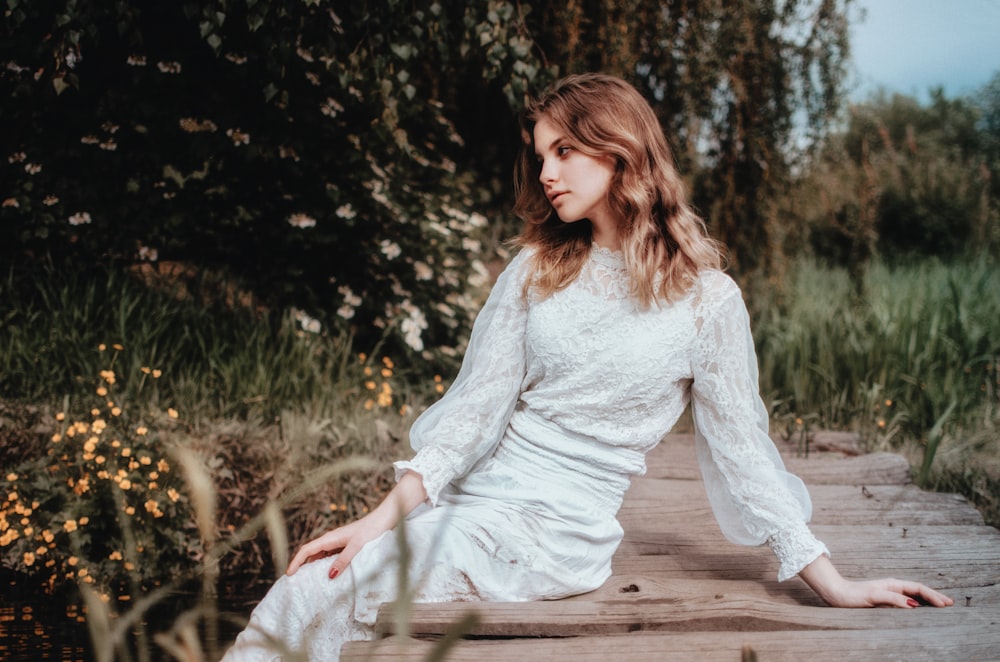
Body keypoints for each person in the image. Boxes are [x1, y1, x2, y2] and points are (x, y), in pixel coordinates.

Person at [222, 73, 952, 660]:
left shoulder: (708, 302)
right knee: (312, 583)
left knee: (339, 590)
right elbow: (476, 411)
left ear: (620, 153)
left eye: (564, 152)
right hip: (472, 501)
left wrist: (834, 582)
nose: (545, 172)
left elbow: (744, 453)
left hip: (556, 531)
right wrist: (375, 521)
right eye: (541, 155)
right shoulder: (537, 268)